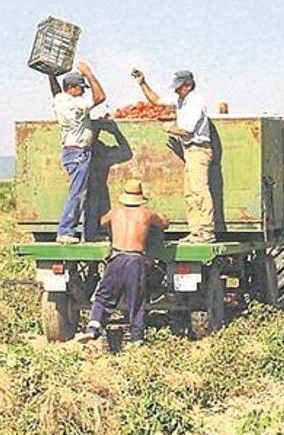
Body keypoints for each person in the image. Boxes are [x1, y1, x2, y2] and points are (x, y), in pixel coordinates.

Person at [79, 179, 170, 342]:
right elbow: (164, 224)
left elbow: (102, 222)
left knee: (103, 295)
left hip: (117, 257)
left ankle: (94, 327)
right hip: (135, 260)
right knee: (136, 299)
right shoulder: (147, 213)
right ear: (140, 196)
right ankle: (137, 336)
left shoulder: (115, 212)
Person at [132, 68, 215, 243]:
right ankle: (196, 231)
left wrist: (169, 128)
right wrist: (142, 83)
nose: (176, 90)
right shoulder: (180, 100)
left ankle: (206, 231)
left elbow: (187, 130)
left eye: (179, 87)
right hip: (190, 151)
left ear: (189, 85)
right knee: (190, 193)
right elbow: (157, 101)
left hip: (198, 149)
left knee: (199, 191)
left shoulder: (195, 102)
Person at [48, 61, 106, 243]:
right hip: (78, 153)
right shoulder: (76, 104)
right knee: (78, 192)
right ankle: (66, 231)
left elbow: (56, 92)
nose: (83, 91)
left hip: (72, 152)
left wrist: (51, 75)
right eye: (81, 88)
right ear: (71, 88)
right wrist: (89, 73)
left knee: (84, 192)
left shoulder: (61, 100)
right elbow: (100, 97)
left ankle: (89, 233)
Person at [83, 120, 133, 242]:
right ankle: (92, 233)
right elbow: (126, 152)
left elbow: (126, 153)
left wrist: (116, 132)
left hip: (96, 192)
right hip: (93, 191)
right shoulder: (94, 150)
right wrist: (116, 132)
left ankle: (94, 232)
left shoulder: (98, 150)